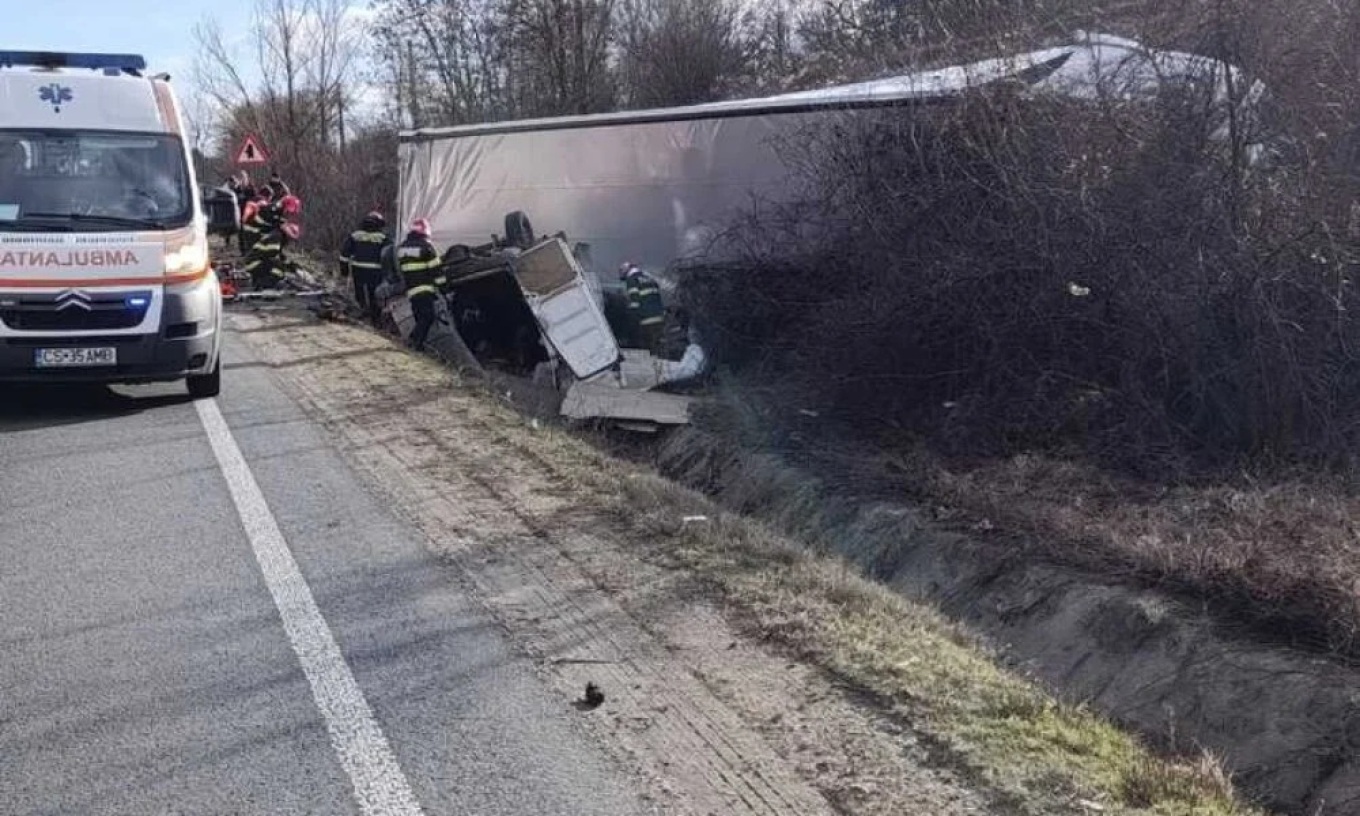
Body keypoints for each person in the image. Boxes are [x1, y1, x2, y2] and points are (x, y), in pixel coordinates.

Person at [397, 218, 444, 352]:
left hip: (411, 291)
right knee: (428, 317)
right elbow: (436, 270)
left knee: (419, 318)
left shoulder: (402, 248)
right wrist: (444, 287)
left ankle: (417, 345)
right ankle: (413, 342)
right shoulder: (426, 247)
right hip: (425, 289)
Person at [340, 211, 391, 325]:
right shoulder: (383, 238)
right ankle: (375, 319)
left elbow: (344, 255)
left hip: (358, 269)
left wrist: (344, 271)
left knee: (359, 292)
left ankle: (363, 310)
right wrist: (389, 273)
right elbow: (388, 256)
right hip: (375, 271)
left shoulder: (355, 235)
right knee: (374, 295)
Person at [619, 261, 665, 354]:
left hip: (646, 320)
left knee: (646, 351)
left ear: (626, 272)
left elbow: (635, 303)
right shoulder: (650, 278)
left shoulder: (632, 280)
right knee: (657, 348)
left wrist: (629, 322)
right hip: (660, 318)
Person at [244, 221, 301, 290]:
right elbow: (273, 256)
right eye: (290, 238)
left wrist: (294, 267)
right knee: (279, 269)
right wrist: (287, 270)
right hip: (254, 263)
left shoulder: (276, 236)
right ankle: (263, 285)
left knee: (276, 266)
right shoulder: (277, 237)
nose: (290, 241)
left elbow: (279, 256)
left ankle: (259, 281)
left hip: (255, 262)